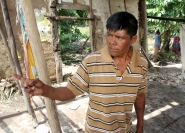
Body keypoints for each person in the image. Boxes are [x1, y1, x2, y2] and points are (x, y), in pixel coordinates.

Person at [13, 11, 148, 133]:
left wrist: (140, 127)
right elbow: (70, 91)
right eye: (109, 35)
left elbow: (140, 96)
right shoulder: (91, 61)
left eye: (119, 37)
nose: (111, 42)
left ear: (133, 39)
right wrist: (46, 90)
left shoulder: (141, 63)